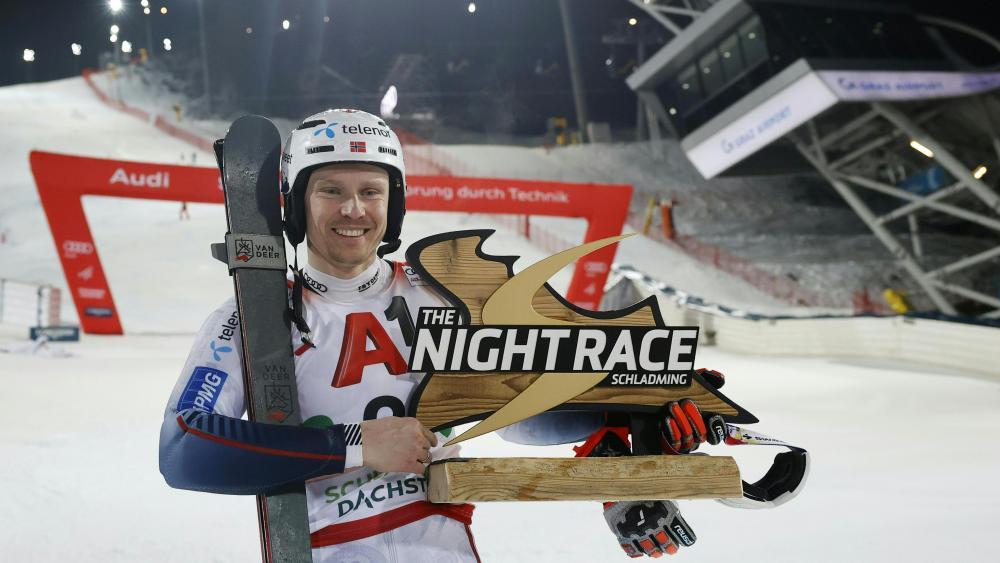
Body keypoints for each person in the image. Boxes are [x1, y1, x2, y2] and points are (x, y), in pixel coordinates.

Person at [159, 108, 705, 561]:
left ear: (392, 205)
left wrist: (628, 422)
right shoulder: (252, 316)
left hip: (444, 547)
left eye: (371, 191)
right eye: (330, 190)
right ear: (296, 204)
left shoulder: (445, 298)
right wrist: (353, 446)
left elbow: (515, 413)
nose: (353, 210)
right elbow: (185, 449)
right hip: (328, 548)